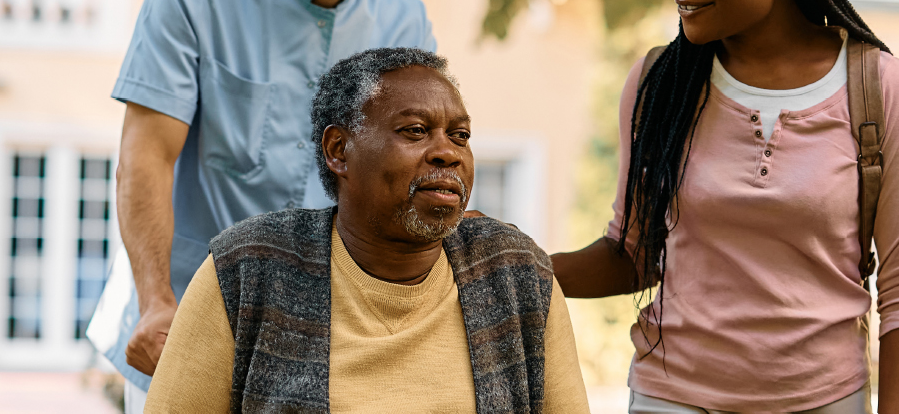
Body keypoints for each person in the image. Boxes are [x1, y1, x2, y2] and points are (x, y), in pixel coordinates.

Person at [549, 0, 899, 414]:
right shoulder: (659, 84)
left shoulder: (878, 89)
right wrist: (511, 260)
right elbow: (632, 255)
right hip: (671, 398)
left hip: (824, 400)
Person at [98, 0, 443, 407]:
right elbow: (146, 157)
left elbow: (399, 199)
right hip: (184, 336)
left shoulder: (407, 26)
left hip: (322, 360)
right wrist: (156, 299)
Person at [145, 48, 589, 412]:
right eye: (415, 131)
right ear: (339, 150)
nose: (448, 153)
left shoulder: (516, 273)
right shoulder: (248, 270)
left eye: (460, 136)